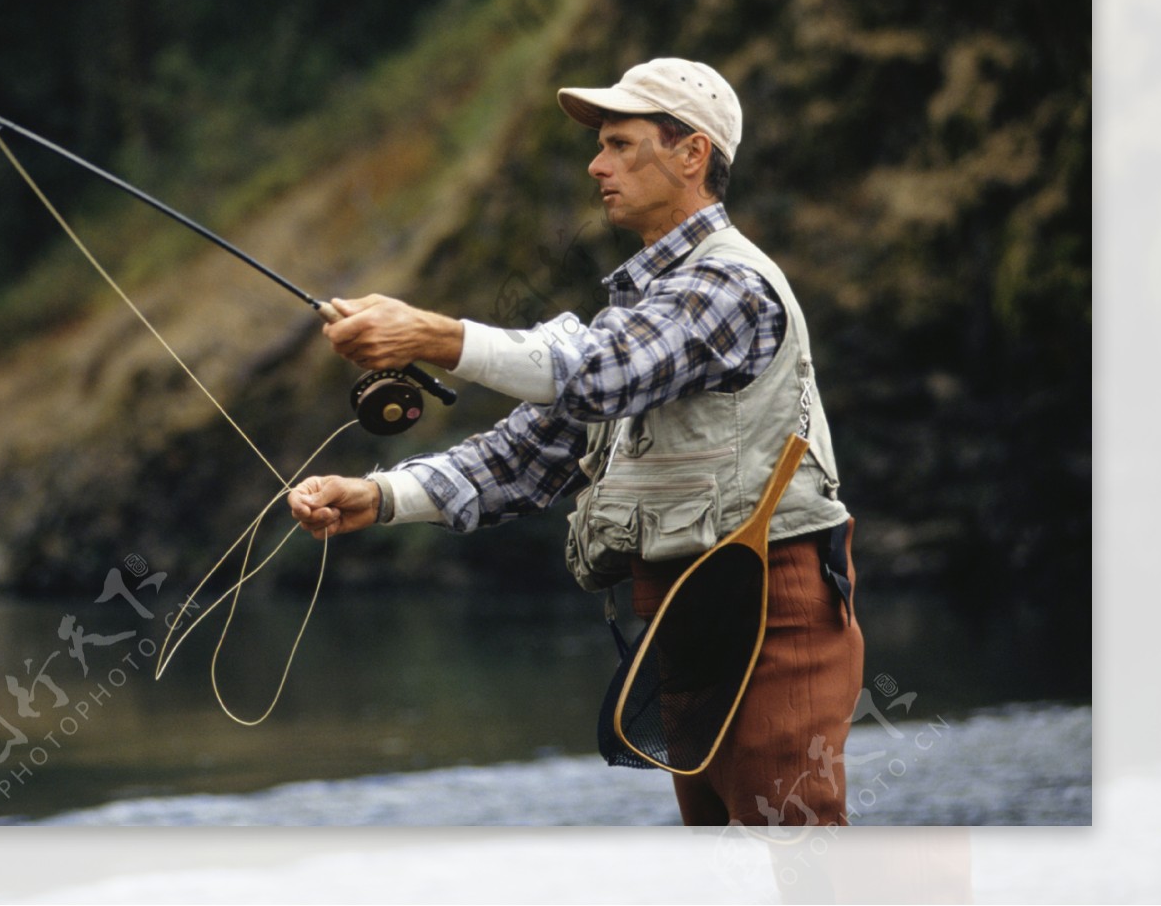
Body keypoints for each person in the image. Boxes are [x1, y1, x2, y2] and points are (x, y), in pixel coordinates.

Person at [287, 57, 863, 827]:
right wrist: (381, 496)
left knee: (804, 856)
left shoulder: (730, 286)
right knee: (728, 853)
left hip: (772, 607)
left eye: (621, 144)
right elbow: (530, 452)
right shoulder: (652, 302)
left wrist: (432, 334)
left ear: (692, 153)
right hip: (689, 616)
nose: (597, 164)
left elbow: (597, 372)